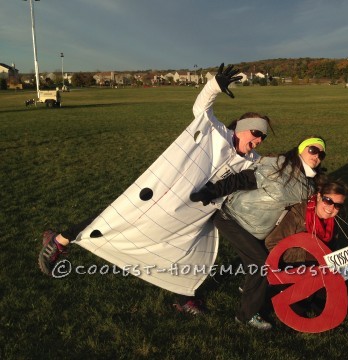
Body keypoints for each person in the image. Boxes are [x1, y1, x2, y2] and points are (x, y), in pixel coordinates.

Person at [38, 63, 272, 316]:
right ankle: (59, 240)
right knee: (120, 216)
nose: (258, 140)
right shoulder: (216, 133)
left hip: (196, 213)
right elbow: (200, 109)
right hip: (168, 194)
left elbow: (273, 173)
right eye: (256, 132)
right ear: (241, 127)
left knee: (188, 251)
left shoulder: (252, 160)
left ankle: (184, 297)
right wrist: (214, 86)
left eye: (262, 137)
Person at [191, 136, 327, 329]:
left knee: (261, 259)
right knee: (260, 264)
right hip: (232, 218)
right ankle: (245, 316)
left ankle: (250, 286)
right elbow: (243, 179)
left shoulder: (309, 185)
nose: (317, 156)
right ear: (300, 150)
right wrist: (211, 191)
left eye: (321, 153)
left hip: (258, 230)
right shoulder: (278, 168)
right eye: (313, 150)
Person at [265, 178, 348, 264]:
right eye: (328, 201)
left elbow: (332, 248)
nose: (331, 208)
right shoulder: (297, 214)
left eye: (338, 205)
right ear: (319, 196)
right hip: (292, 268)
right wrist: (307, 256)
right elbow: (272, 244)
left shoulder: (332, 221)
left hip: (319, 268)